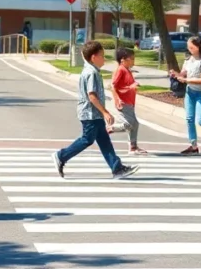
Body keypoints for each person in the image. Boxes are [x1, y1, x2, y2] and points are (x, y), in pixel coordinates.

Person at [52, 41, 139, 179]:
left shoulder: (92, 71)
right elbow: (91, 96)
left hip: (94, 113)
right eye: (102, 56)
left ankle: (117, 168)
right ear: (94, 57)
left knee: (104, 140)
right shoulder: (91, 73)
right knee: (87, 139)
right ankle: (61, 155)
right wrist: (105, 112)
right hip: (90, 113)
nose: (104, 59)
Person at [111, 47, 147, 155]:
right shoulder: (120, 70)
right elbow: (113, 86)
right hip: (123, 101)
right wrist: (117, 99)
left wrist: (133, 85)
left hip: (130, 102)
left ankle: (133, 147)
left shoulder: (127, 70)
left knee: (134, 124)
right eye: (131, 59)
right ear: (123, 59)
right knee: (129, 124)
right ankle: (110, 128)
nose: (133, 61)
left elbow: (127, 85)